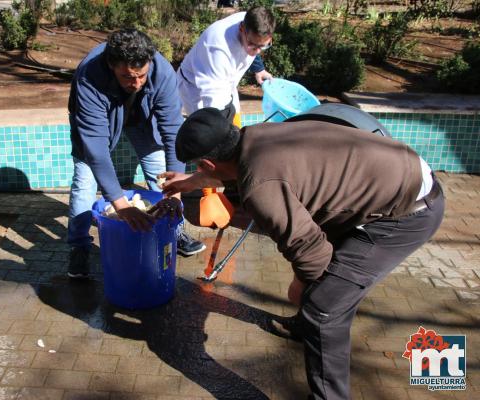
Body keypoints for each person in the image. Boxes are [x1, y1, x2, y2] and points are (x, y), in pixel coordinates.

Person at [161, 108, 445, 400]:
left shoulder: (261, 189)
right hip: (395, 174)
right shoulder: (257, 136)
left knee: (322, 308)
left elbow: (312, 253)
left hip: (406, 213)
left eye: (199, 167)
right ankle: (303, 326)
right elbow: (234, 171)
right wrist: (189, 183)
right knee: (316, 291)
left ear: (208, 162)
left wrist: (304, 287)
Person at [66, 29, 205, 279]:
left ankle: (174, 229)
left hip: (143, 119)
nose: (137, 83)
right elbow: (96, 149)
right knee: (84, 181)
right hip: (97, 123)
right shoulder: (90, 77)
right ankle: (79, 246)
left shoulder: (162, 72)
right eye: (127, 77)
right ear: (111, 66)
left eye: (141, 75)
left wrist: (176, 191)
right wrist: (120, 205)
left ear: (150, 63)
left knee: (160, 170)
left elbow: (173, 130)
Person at [177, 6, 275, 124]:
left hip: (227, 82)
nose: (258, 51)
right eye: (252, 45)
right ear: (241, 29)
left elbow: (256, 46)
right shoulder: (217, 49)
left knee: (236, 123)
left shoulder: (252, 22)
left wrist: (259, 69)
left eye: (263, 46)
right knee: (207, 129)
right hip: (195, 86)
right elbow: (214, 102)